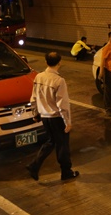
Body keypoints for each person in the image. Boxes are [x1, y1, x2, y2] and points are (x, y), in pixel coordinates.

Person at [26, 52, 79, 181]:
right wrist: (68, 122)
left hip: (45, 116)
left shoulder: (39, 77)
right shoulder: (59, 80)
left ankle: (34, 165)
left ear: (46, 62)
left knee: (51, 142)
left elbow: (33, 98)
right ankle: (66, 172)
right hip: (56, 117)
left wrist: (36, 114)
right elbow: (62, 104)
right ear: (59, 62)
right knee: (63, 145)